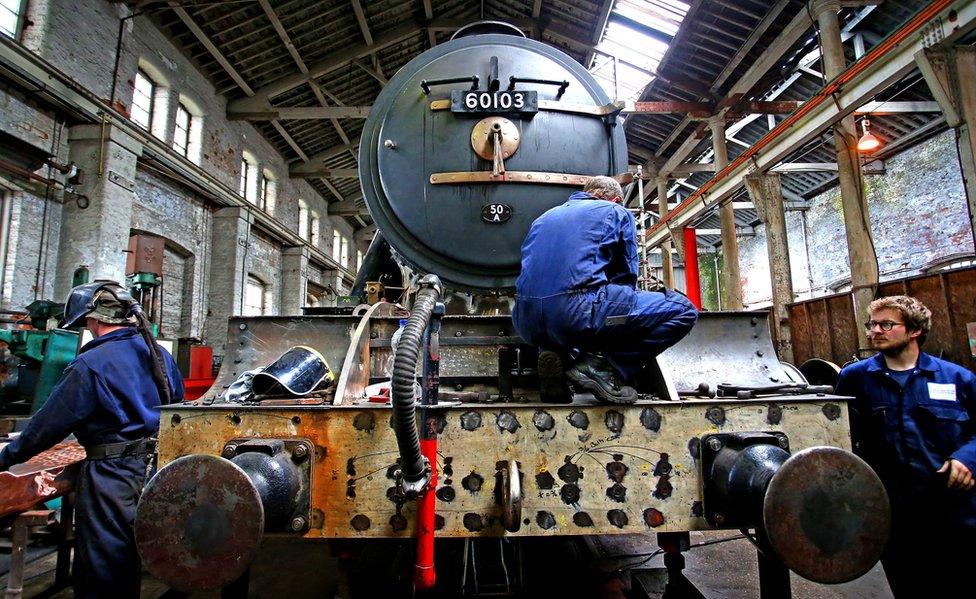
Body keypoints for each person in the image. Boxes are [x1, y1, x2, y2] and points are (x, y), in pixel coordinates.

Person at [0, 282, 184, 598]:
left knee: (104, 567)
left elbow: (46, 427)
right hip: (154, 467)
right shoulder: (158, 355)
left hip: (111, 475)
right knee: (128, 554)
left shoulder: (90, 364)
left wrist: (6, 457)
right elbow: (177, 403)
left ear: (93, 319)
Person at [835, 295, 976, 598]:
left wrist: (967, 459)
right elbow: (841, 438)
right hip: (894, 514)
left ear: (914, 331)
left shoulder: (958, 379)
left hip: (954, 510)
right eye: (872, 324)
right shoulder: (854, 380)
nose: (875, 331)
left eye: (886, 324)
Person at [513, 176, 698, 404]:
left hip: (526, 321)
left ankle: (557, 359)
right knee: (683, 310)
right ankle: (602, 366)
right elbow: (626, 275)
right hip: (574, 314)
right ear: (616, 199)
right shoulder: (616, 212)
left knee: (583, 310)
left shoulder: (543, 218)